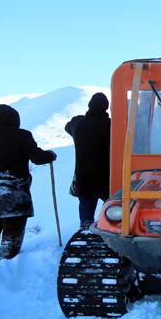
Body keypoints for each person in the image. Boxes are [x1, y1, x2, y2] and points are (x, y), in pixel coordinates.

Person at [0, 104, 57, 261]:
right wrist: (50, 155)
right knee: (12, 234)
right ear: (15, 119)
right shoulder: (22, 136)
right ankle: (6, 267)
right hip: (16, 196)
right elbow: (37, 157)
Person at [65, 92, 111, 229]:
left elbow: (68, 126)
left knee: (86, 216)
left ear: (89, 105)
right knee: (110, 214)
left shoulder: (78, 124)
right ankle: (107, 231)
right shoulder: (111, 125)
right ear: (106, 107)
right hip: (107, 177)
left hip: (84, 178)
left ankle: (85, 230)